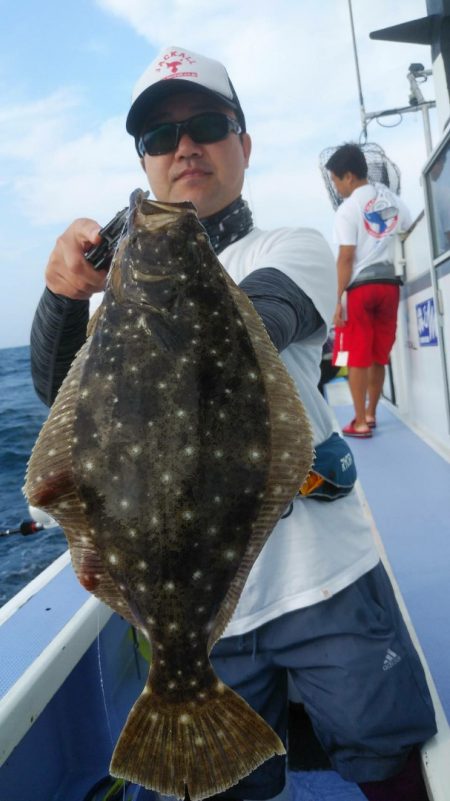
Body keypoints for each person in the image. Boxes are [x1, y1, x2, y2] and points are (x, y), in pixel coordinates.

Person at [30, 46, 436, 801]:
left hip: (325, 581)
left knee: (387, 757)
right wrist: (62, 296)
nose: (184, 146)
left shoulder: (294, 248)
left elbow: (260, 324)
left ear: (242, 145)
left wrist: (142, 272)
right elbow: (58, 393)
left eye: (208, 125)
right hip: (199, 613)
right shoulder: (115, 307)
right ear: (145, 161)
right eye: (159, 137)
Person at [325, 143, 412, 438]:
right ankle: (372, 415)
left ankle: (359, 421)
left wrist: (336, 300)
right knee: (378, 356)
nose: (336, 188)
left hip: (360, 290)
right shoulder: (394, 202)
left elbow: (346, 258)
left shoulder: (348, 209)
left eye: (336, 180)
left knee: (355, 357)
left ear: (348, 176)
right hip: (389, 286)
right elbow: (408, 231)